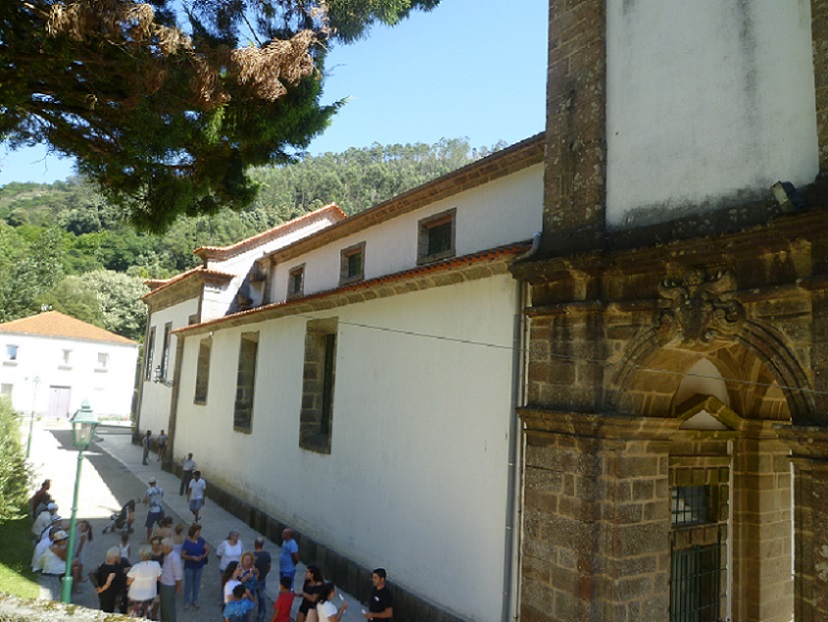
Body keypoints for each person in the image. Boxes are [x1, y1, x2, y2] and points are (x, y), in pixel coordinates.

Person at [126, 547, 162, 618]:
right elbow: (159, 578)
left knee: (133, 618)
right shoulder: (156, 565)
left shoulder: (136, 567)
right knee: (146, 616)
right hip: (149, 595)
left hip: (135, 596)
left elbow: (128, 582)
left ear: (142, 556)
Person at [181, 523, 209, 609]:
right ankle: (186, 601)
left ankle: (195, 600)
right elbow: (182, 555)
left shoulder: (201, 540)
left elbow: (207, 549)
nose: (199, 533)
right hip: (189, 566)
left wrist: (203, 556)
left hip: (199, 566)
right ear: (193, 532)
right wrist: (191, 557)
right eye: (198, 532)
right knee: (188, 584)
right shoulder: (187, 542)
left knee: (197, 584)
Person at [93, 546, 128, 613]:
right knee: (108, 610)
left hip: (104, 594)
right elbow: (108, 583)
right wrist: (101, 589)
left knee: (103, 609)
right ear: (115, 558)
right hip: (109, 594)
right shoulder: (112, 570)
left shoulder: (104, 564)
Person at [159, 537, 182, 622]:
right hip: (164, 583)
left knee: (168, 608)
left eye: (163, 546)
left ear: (168, 547)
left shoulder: (175, 558)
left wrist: (178, 587)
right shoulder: (166, 555)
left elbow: (178, 575)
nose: (161, 548)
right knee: (164, 607)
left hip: (169, 585)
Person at [253, 537, 272, 622]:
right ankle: (261, 616)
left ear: (255, 545)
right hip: (262, 579)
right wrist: (265, 574)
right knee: (262, 598)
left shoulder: (252, 556)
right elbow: (268, 567)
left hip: (253, 580)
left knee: (250, 598)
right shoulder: (267, 555)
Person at [144, 477, 165, 541]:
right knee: (161, 524)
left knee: (149, 525)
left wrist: (145, 503)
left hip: (153, 510)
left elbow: (146, 499)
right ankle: (162, 536)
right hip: (161, 509)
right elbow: (162, 496)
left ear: (150, 484)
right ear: (155, 482)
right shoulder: (161, 489)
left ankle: (149, 537)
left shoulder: (149, 490)